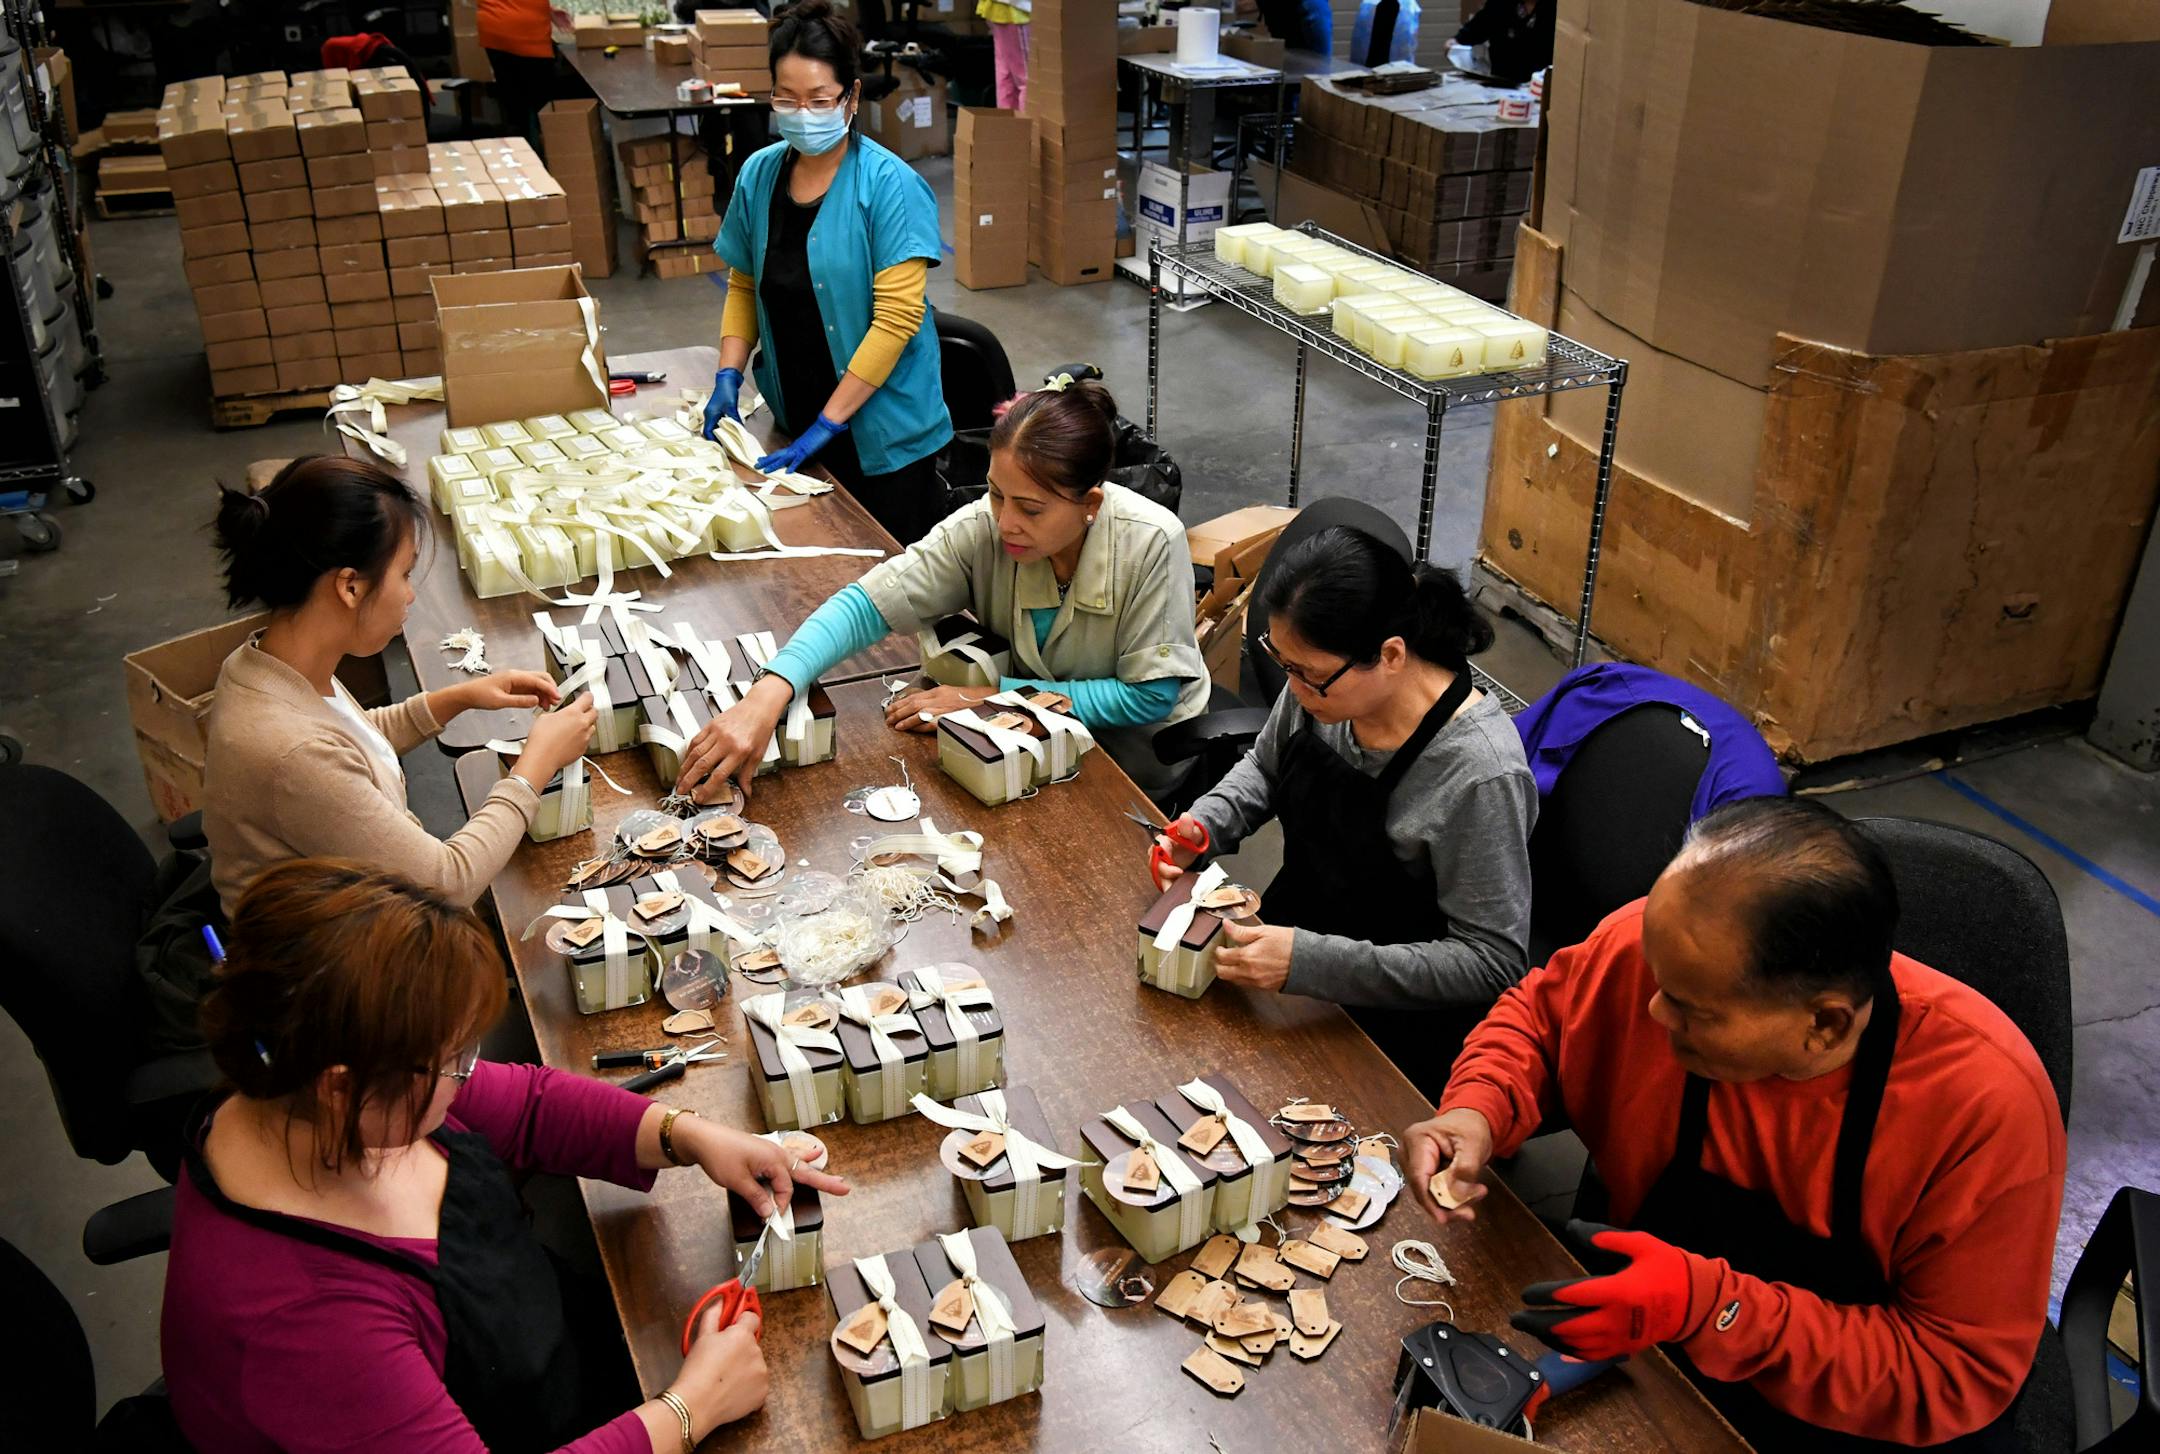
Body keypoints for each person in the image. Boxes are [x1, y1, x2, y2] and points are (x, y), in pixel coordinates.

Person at [1409, 798, 2065, 1451]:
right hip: (1647, 1345)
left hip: (1846, 1416)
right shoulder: (1667, 951)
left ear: (1825, 1024)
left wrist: (1711, 1309)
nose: (1654, 1010)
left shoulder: (1984, 1108)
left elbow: (1952, 1375)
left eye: (1691, 1010)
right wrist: (1478, 1106)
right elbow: (1543, 1021)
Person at [162, 858, 850, 1453]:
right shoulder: (305, 1325)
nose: (469, 1072)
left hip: (551, 1370)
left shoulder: (319, 1092)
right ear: (342, 1088)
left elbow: (529, 1106)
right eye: (452, 1060)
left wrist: (689, 1135)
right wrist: (689, 1409)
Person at [675, 378, 1205, 800]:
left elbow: (1149, 696)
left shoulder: (1151, 542)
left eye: (1031, 508)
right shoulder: (985, 527)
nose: (1007, 523)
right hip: (1021, 741)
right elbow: (867, 606)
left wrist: (989, 698)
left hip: (1128, 757)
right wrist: (770, 692)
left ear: (1090, 506)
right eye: (998, 495)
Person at [1153, 526, 1535, 1094]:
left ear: (1391, 655)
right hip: (1285, 943)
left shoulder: (1478, 774)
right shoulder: (1319, 680)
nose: (1293, 687)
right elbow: (1266, 766)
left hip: (1394, 1025)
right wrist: (1206, 823)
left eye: (1306, 674)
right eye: (1281, 663)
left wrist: (1310, 963)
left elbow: (1491, 961)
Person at [203, 456, 598, 919]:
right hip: (336, 969)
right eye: (405, 574)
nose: (410, 594)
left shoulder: (271, 663)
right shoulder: (291, 753)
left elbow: (349, 740)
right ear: (349, 586)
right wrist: (536, 765)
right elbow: (447, 883)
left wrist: (457, 698)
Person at [701, 0, 954, 546]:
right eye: (786, 99)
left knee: (893, 592)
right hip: (796, 425)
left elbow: (896, 320)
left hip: (884, 444)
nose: (803, 113)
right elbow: (745, 280)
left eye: (819, 100)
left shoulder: (888, 186)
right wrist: (728, 374)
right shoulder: (758, 175)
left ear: (853, 97)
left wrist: (830, 423)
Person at [477, 0, 561, 142]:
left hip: (496, 24)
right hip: (525, 32)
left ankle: (522, 154)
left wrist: (547, 10)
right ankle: (552, 154)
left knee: (514, 103)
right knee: (543, 107)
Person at [1451, 0, 1553, 84]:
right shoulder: (1502, 3)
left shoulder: (1557, 8)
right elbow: (1477, 28)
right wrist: (1455, 42)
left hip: (1542, 85)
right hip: (1501, 81)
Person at [980, 0, 1030, 111]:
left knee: (1006, 76)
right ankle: (1027, 126)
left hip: (1000, 9)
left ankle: (1006, 126)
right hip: (1017, 11)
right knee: (1028, 81)